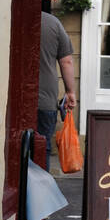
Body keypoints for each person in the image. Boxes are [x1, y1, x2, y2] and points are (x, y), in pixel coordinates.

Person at [39, 9, 76, 170]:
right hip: (45, 101)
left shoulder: (7, 14)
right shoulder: (52, 22)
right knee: (42, 148)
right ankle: (39, 192)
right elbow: (66, 61)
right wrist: (70, 92)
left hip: (11, 100)